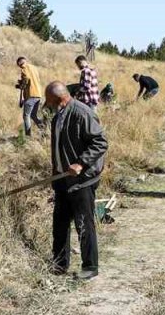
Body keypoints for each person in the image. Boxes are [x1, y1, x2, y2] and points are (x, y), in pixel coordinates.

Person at [45, 81, 108, 280]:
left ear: (59, 99)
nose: (48, 105)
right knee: (60, 223)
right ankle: (59, 264)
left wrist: (80, 163)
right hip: (63, 180)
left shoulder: (82, 113)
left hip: (83, 180)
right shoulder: (58, 117)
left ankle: (90, 266)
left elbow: (100, 143)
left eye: (49, 101)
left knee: (84, 223)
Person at [16, 56, 46, 136]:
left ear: (19, 63)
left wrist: (21, 85)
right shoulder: (34, 68)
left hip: (31, 95)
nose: (20, 67)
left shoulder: (24, 69)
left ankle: (28, 136)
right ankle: (45, 129)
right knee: (33, 115)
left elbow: (26, 80)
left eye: (19, 65)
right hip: (38, 95)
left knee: (26, 116)